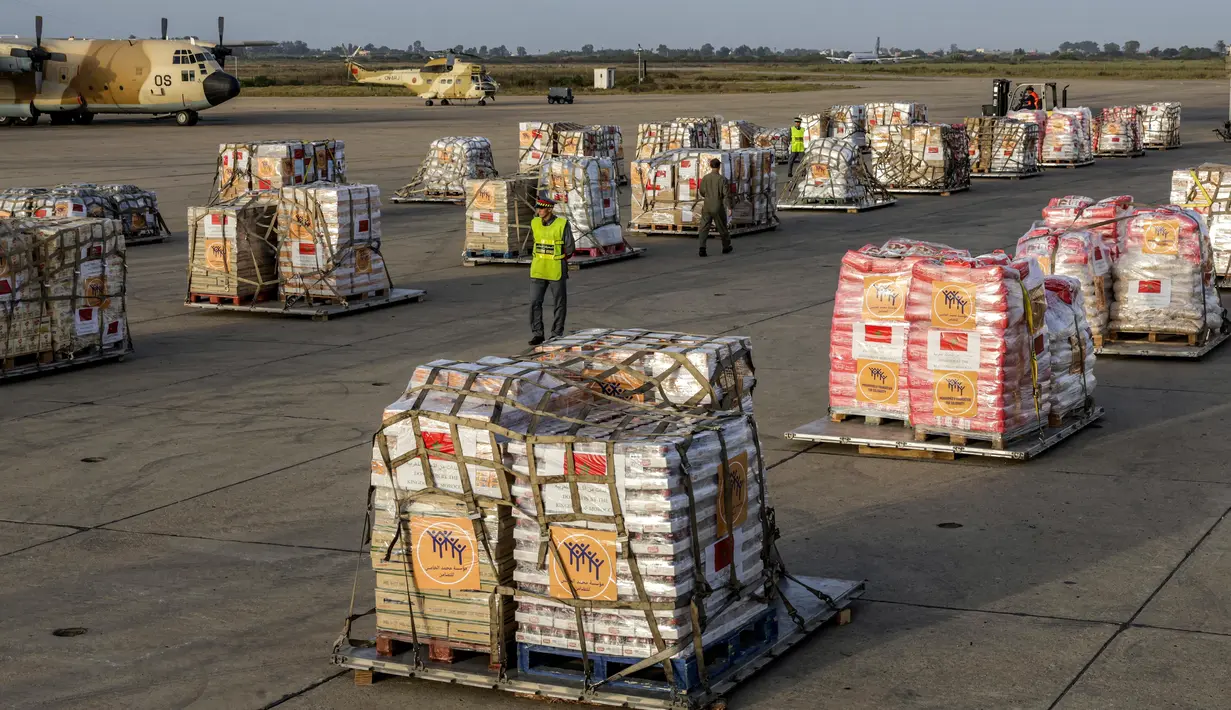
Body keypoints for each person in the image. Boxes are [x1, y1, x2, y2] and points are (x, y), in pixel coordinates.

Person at [528, 196, 575, 346]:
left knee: (559, 303)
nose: (539, 211)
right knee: (535, 302)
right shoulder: (534, 222)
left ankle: (556, 333)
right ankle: (538, 334)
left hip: (556, 269)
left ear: (549, 209)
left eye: (541, 208)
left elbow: (570, 248)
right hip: (538, 269)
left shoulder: (562, 224)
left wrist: (559, 258)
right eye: (538, 208)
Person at [697, 158, 732, 257]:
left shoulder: (705, 178)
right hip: (718, 206)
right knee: (722, 227)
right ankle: (726, 246)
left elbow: (702, 191)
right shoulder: (722, 179)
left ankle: (702, 248)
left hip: (707, 205)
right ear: (719, 167)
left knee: (704, 227)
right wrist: (729, 207)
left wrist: (708, 196)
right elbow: (726, 195)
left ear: (710, 166)